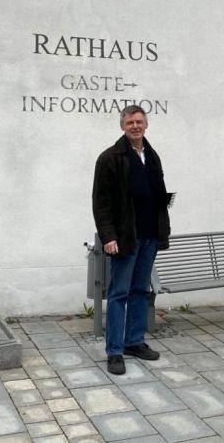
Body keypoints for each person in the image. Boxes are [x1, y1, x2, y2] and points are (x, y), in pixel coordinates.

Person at [92, 105, 171, 375]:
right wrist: (108, 236)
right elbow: (100, 203)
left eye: (139, 122)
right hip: (126, 237)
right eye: (130, 122)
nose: (135, 126)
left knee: (141, 290)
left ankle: (134, 341)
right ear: (122, 126)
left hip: (149, 234)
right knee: (119, 293)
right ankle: (114, 351)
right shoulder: (110, 157)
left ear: (146, 124)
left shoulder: (153, 155)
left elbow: (156, 191)